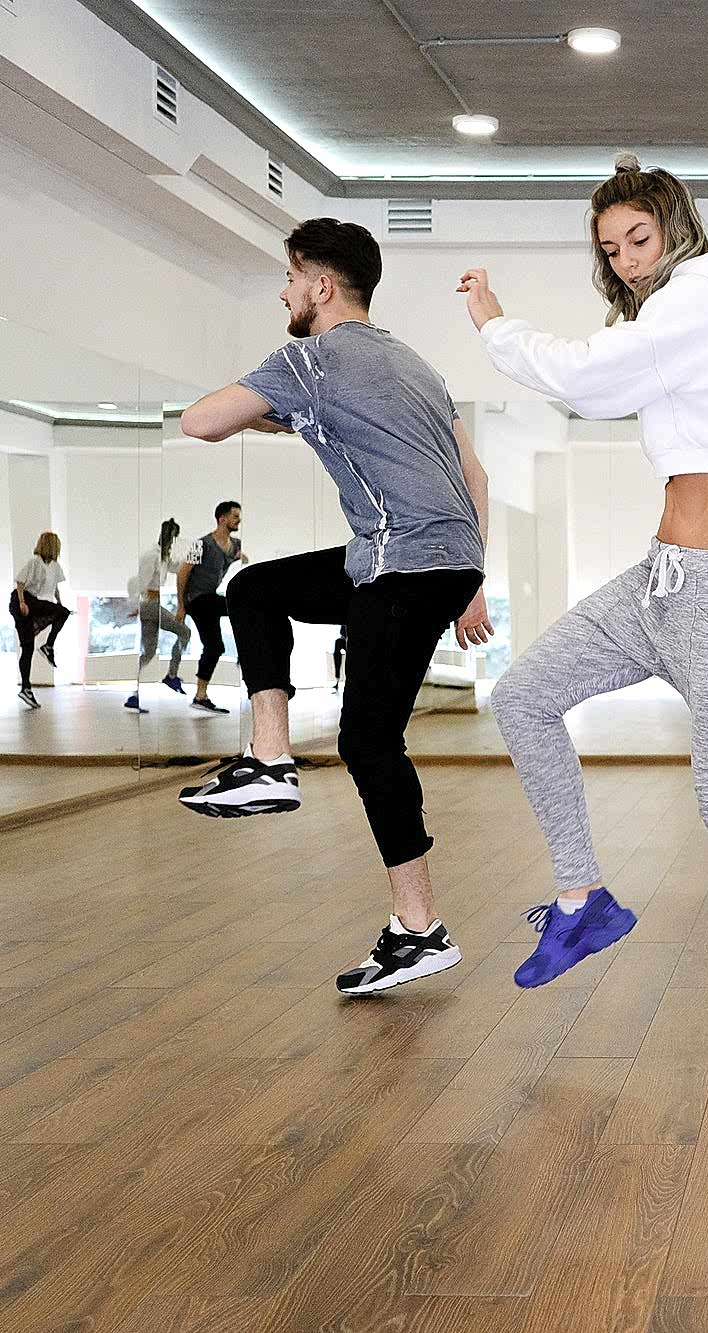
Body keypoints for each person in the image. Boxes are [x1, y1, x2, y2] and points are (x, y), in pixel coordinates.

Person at [460, 151, 708, 1074]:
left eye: (638, 238)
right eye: (609, 246)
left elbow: (583, 378)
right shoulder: (682, 316)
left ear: (677, 228)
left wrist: (497, 327)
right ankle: (584, 901)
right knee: (524, 697)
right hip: (659, 582)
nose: (623, 258)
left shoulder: (700, 302)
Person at [177, 216, 493, 997]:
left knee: (368, 740)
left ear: (320, 285)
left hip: (399, 560)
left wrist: (270, 397)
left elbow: (201, 421)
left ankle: (419, 925)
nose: (284, 292)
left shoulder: (307, 357)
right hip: (445, 560)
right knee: (254, 589)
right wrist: (474, 577)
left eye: (289, 278)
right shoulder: (411, 362)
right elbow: (472, 471)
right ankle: (271, 758)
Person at [177, 501, 246, 715]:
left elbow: (234, 558)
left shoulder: (235, 545)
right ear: (222, 519)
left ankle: (200, 696)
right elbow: (182, 574)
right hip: (197, 599)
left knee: (215, 647)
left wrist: (239, 559)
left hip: (210, 600)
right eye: (235, 516)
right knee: (241, 605)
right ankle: (245, 652)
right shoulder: (202, 544)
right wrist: (181, 606)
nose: (239, 520)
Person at [126, 517, 191, 713]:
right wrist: (136, 604)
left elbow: (177, 568)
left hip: (151, 606)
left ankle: (134, 694)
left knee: (149, 652)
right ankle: (171, 676)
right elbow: (139, 581)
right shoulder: (151, 556)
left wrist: (191, 556)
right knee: (185, 632)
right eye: (174, 539)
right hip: (150, 606)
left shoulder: (162, 558)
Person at [10, 532, 70, 710]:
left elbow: (55, 588)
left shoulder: (54, 566)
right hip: (22, 601)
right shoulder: (34, 562)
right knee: (27, 647)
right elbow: (20, 583)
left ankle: (48, 646)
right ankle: (26, 687)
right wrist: (22, 602)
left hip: (34, 602)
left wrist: (59, 605)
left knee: (64, 612)